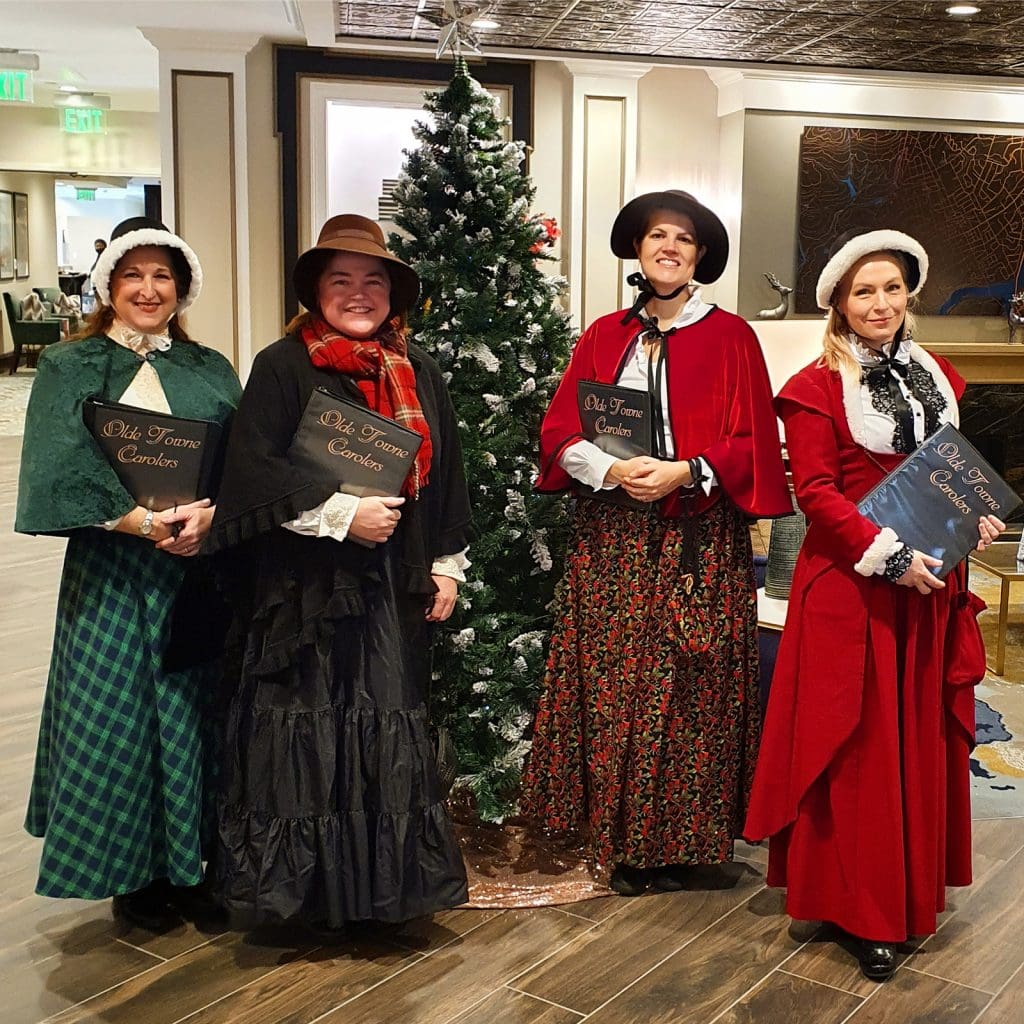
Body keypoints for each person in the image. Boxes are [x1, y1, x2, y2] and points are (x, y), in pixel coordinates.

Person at [744, 229, 1005, 981]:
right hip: (855, 587)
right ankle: (857, 907)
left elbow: (955, 478)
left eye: (891, 288)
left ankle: (906, 892)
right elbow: (816, 493)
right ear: (839, 304)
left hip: (929, 589)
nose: (881, 303)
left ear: (910, 294)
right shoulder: (813, 387)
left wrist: (974, 520)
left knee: (916, 742)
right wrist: (887, 555)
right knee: (856, 748)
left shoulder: (940, 375)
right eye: (864, 291)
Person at [206, 214, 472, 930]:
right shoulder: (283, 366)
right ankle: (300, 898)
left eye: (373, 281)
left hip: (391, 586)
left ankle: (382, 895)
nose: (359, 294)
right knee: (307, 726)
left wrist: (446, 566)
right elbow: (252, 476)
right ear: (315, 291)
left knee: (382, 723)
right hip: (305, 590)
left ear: (394, 294)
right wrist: (338, 515)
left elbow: (446, 475)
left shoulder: (419, 373)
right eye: (341, 280)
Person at [522, 190, 791, 896]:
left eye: (683, 239)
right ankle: (616, 837)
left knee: (688, 688)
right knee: (613, 684)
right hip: (612, 537)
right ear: (637, 250)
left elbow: (753, 443)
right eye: (655, 236)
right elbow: (558, 433)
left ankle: (681, 841)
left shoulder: (732, 337)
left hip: (696, 534)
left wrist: (685, 469)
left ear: (700, 255)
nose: (668, 247)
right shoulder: (604, 337)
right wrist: (609, 467)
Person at [15, 216, 241, 930]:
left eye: (162, 276)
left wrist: (211, 517)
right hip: (111, 573)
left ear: (182, 288)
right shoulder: (68, 368)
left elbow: (240, 460)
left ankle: (194, 864)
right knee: (116, 720)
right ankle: (132, 873)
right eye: (133, 275)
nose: (148, 289)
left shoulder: (208, 370)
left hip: (193, 572)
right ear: (109, 284)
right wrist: (141, 524)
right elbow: (57, 470)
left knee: (190, 713)